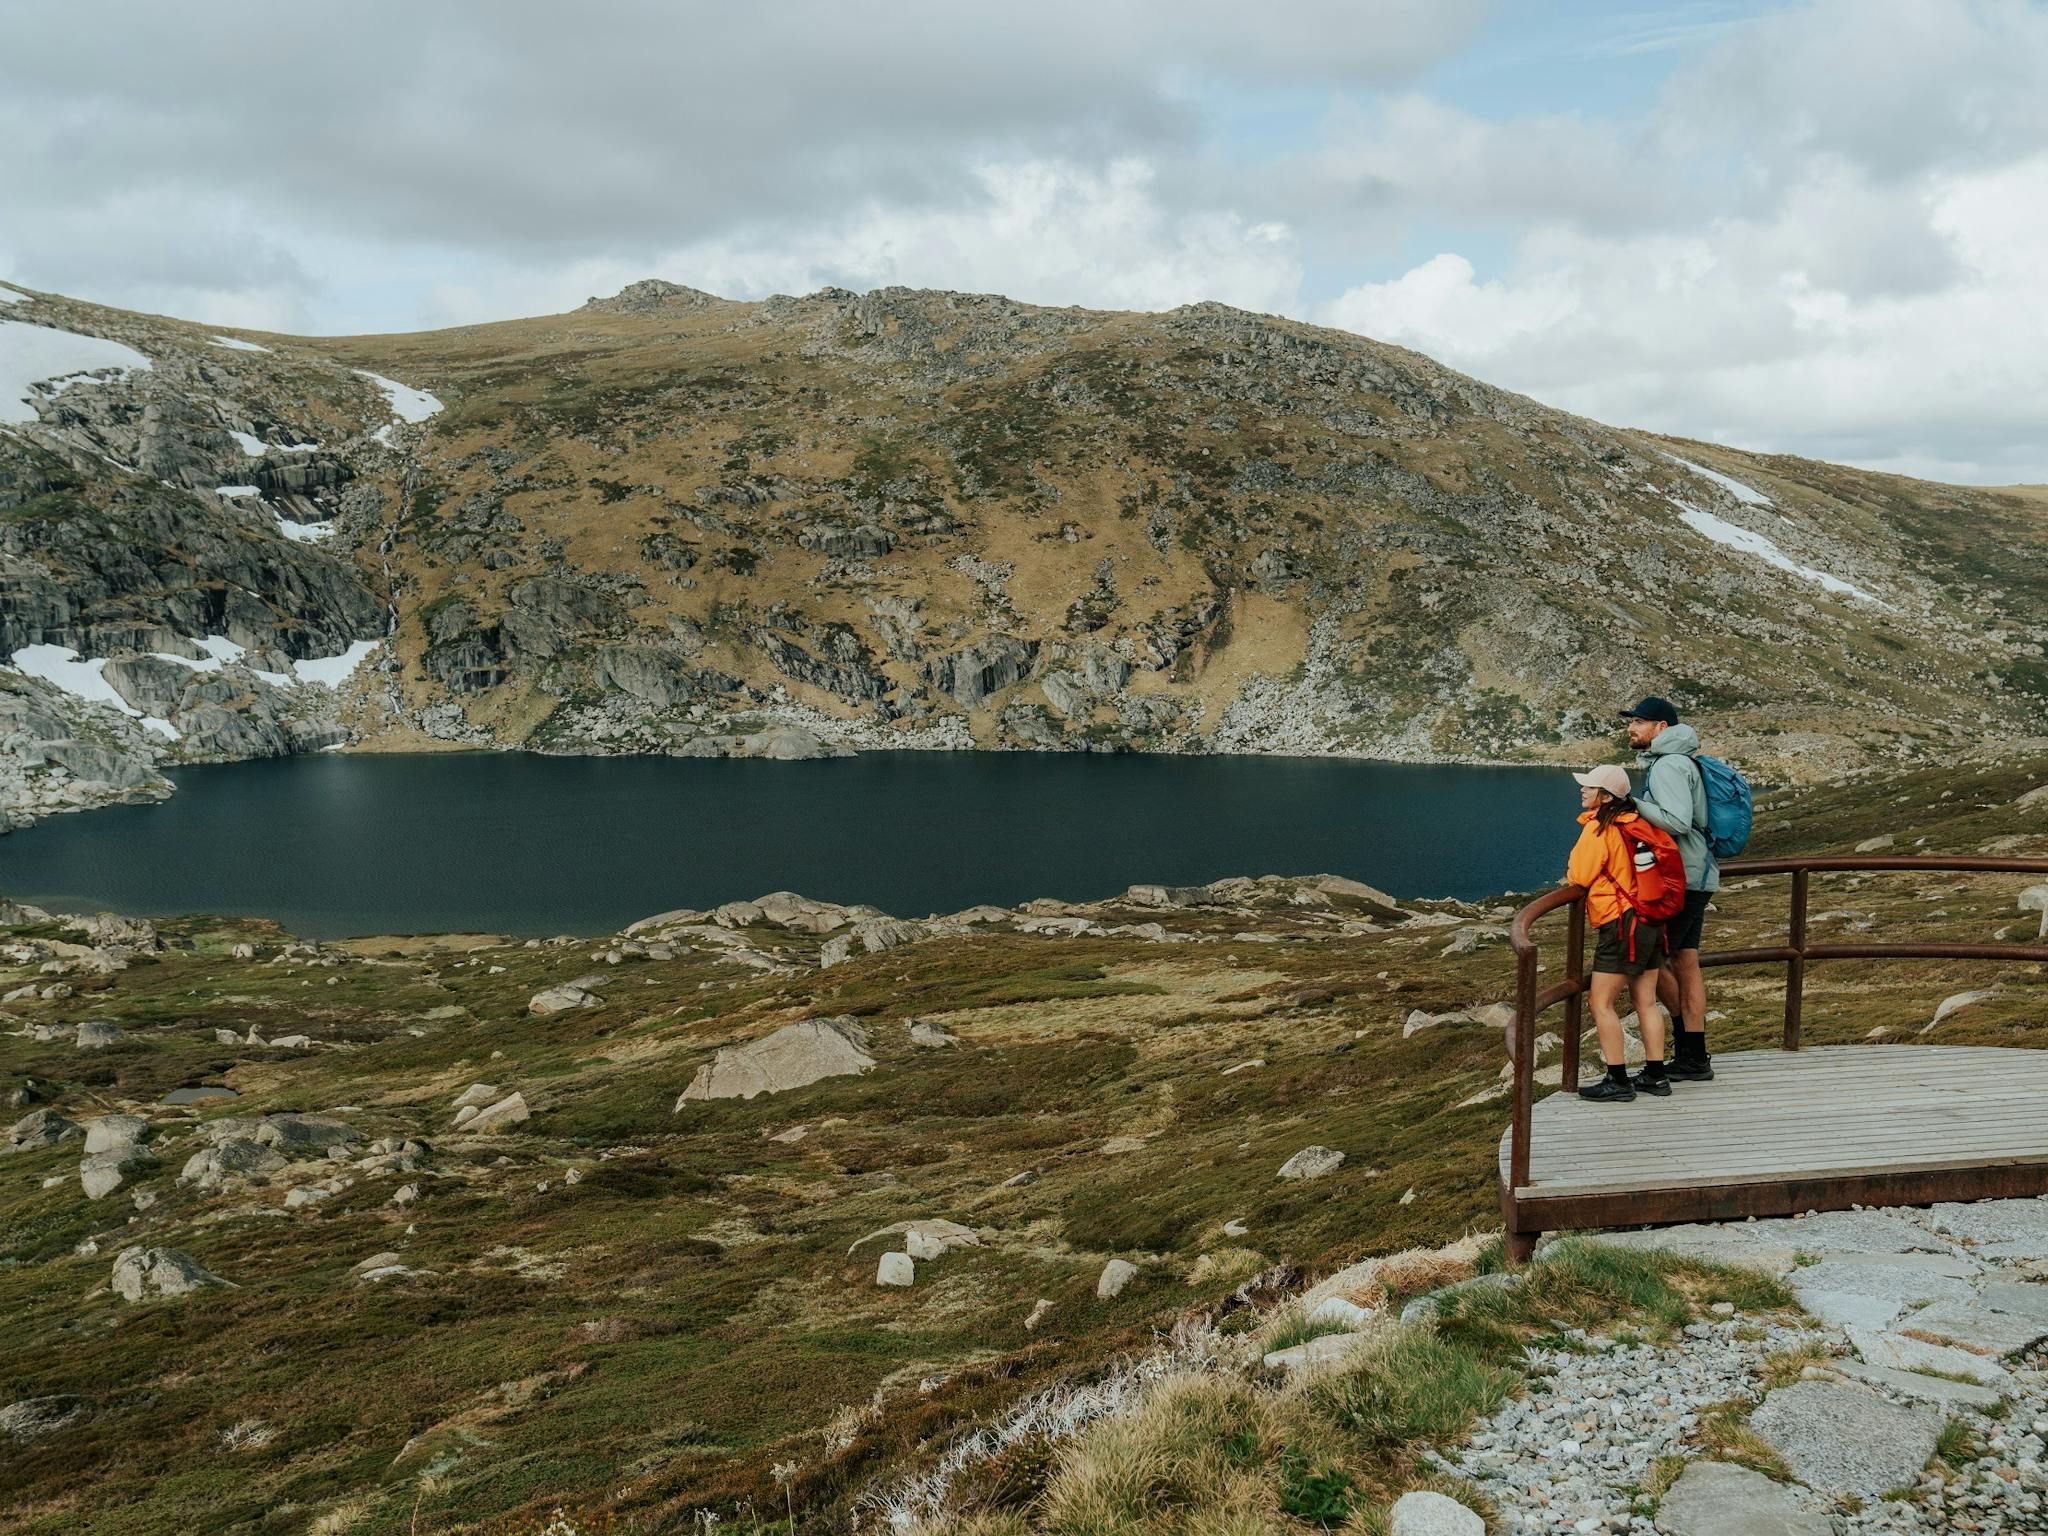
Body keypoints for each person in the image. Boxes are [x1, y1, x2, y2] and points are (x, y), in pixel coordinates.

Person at [1621, 696, 1716, 1081]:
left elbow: (1676, 821)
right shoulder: (1680, 761)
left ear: (1662, 728)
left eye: (1640, 722)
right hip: (1697, 875)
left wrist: (1633, 804)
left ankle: (1683, 1052)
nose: (1632, 728)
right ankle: (1695, 1056)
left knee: (1649, 960)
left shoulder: (1668, 766)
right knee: (1686, 962)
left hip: (1681, 879)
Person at [1565, 764, 1670, 1103]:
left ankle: (1618, 1080)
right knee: (1646, 1000)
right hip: (1650, 919)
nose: (1582, 790)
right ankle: (1655, 1075)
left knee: (1601, 1002)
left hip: (1621, 923)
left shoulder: (1599, 827)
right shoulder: (1636, 822)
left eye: (1590, 787)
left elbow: (1579, 875)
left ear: (1606, 797)